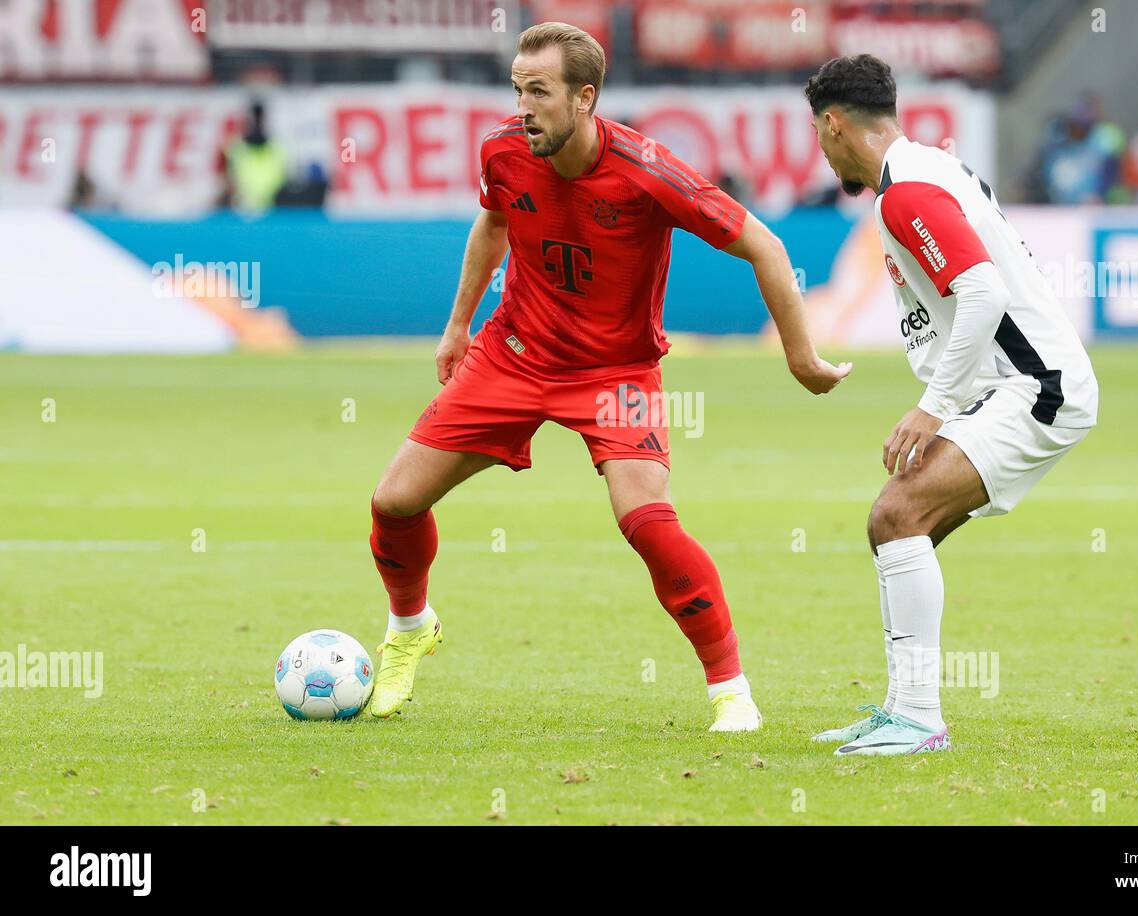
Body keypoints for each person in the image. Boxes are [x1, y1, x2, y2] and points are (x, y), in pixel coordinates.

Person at [366, 22, 850, 730]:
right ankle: (410, 627)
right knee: (393, 502)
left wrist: (801, 356)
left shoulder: (648, 171)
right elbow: (493, 224)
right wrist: (457, 324)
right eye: (517, 90)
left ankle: (730, 691)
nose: (523, 108)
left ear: (584, 97)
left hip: (615, 372)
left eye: (539, 92)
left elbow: (766, 246)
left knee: (648, 523)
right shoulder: (503, 150)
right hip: (515, 353)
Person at [803, 54, 1099, 755]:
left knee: (897, 513)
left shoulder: (906, 192)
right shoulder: (934, 170)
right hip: (1005, 384)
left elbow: (984, 293)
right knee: (902, 530)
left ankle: (918, 719)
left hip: (1036, 387)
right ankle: (905, 707)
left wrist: (932, 407)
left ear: (837, 124)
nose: (819, 146)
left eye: (817, 131)